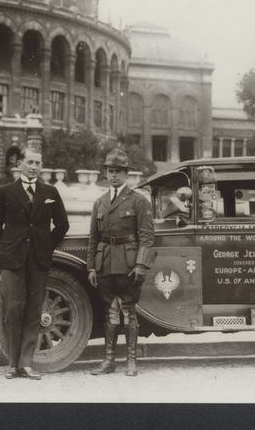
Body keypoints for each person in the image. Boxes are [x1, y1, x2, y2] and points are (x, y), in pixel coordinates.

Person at [0, 147, 69, 380]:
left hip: (38, 261)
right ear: (19, 163)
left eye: (38, 163)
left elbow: (62, 225)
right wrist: (8, 247)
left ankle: (26, 363)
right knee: (13, 309)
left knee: (34, 310)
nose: (34, 167)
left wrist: (45, 246)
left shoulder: (50, 191)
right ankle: (12, 363)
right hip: (12, 261)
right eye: (30, 162)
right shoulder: (5, 192)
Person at [87, 148, 154, 376]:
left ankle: (131, 362)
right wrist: (91, 267)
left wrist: (141, 265)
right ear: (105, 173)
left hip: (128, 264)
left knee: (129, 311)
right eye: (110, 171)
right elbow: (93, 238)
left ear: (126, 174)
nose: (113, 175)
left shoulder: (138, 201)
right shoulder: (100, 202)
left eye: (118, 171)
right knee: (111, 312)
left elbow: (146, 237)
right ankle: (109, 361)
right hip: (105, 263)